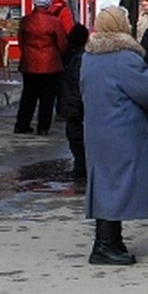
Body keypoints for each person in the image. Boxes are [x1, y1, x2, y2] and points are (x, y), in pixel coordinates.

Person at [80, 5, 148, 265]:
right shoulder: (127, 58)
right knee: (118, 184)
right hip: (122, 129)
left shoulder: (89, 56)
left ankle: (111, 240)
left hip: (96, 128)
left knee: (104, 182)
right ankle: (104, 246)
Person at [14, 0, 68, 135]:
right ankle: (43, 127)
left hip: (29, 62)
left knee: (28, 95)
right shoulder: (54, 22)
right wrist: (58, 55)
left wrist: (27, 53)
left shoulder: (26, 20)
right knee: (47, 97)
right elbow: (62, 42)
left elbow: (21, 40)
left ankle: (22, 124)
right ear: (48, 3)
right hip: (50, 63)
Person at [57, 23, 90, 180]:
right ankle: (82, 165)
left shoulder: (71, 57)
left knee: (75, 136)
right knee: (79, 136)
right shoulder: (84, 57)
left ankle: (81, 166)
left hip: (73, 106)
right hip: (79, 105)